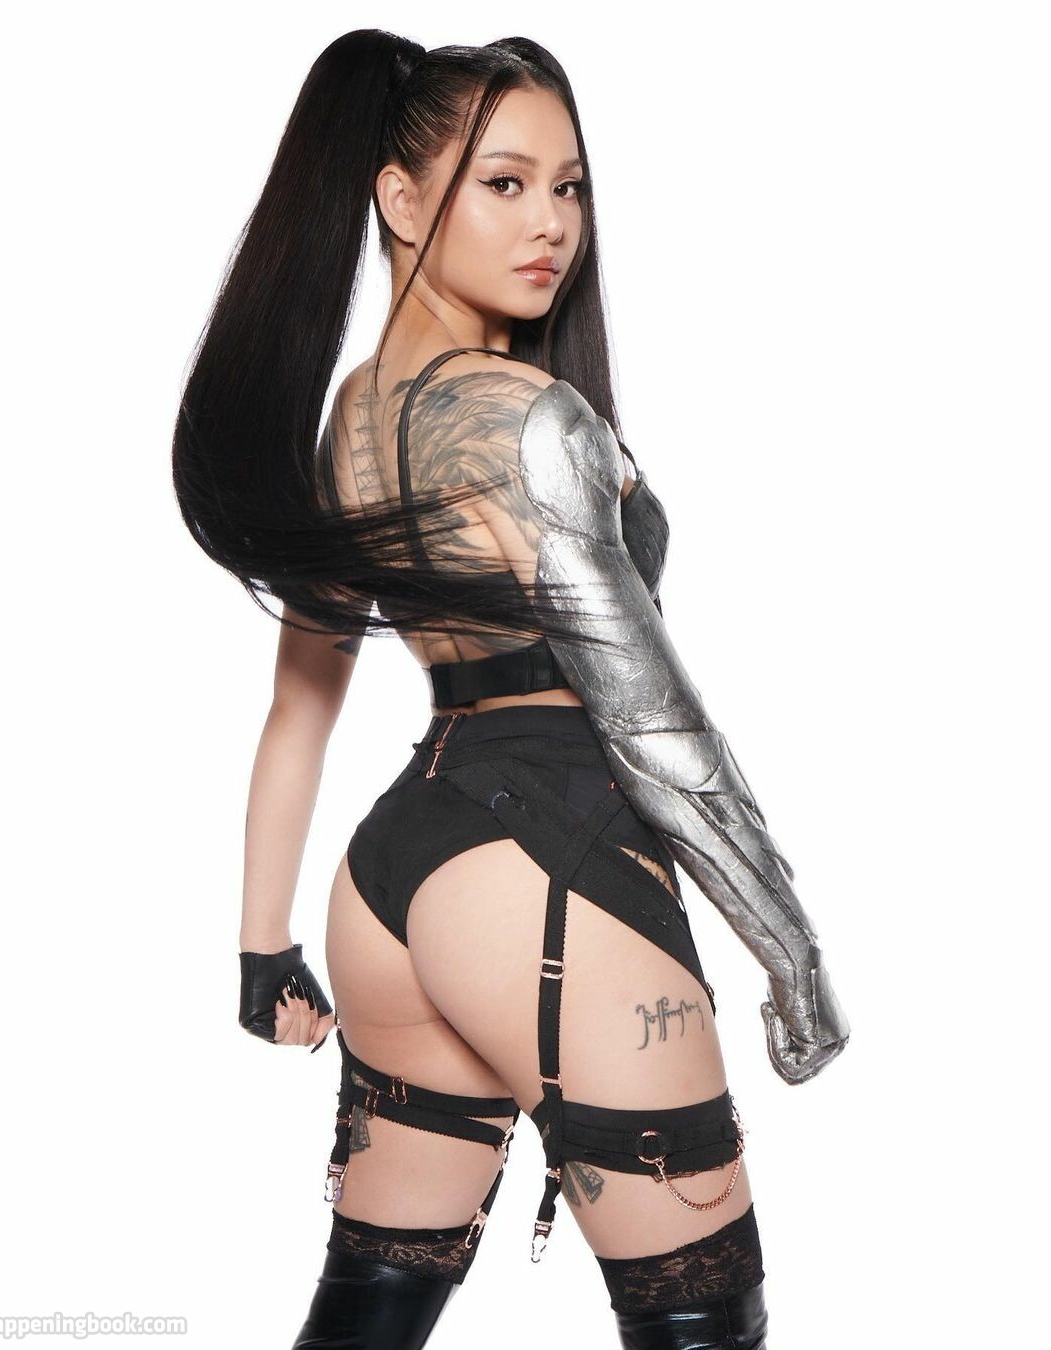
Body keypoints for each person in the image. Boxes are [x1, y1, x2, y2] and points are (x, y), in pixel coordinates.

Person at [173, 29, 850, 1350]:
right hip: (548, 867)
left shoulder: (352, 417)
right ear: (400, 197)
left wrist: (263, 947)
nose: (552, 223)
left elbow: (299, 708)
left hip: (392, 884)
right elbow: (651, 722)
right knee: (704, 1323)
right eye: (506, 183)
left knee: (364, 1324)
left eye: (570, 186)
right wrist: (790, 946)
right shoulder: (526, 421)